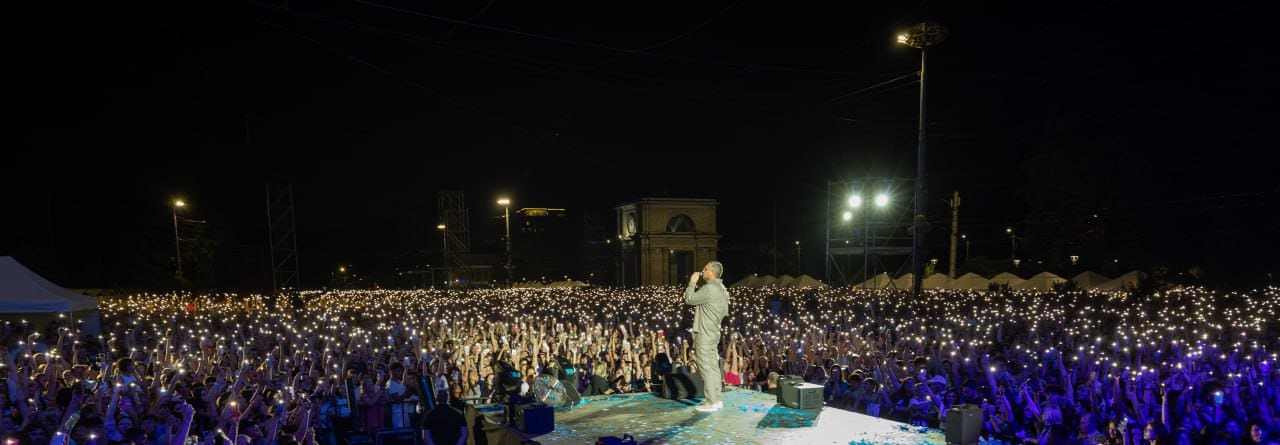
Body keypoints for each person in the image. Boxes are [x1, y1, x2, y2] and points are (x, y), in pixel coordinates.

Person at [684, 261, 729, 412]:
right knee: (713, 367)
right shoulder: (722, 289)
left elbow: (689, 299)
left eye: (705, 268)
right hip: (713, 332)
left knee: (706, 368)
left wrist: (692, 282)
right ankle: (716, 399)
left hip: (704, 333)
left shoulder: (709, 288)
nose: (702, 271)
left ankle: (711, 402)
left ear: (712, 272)